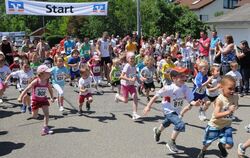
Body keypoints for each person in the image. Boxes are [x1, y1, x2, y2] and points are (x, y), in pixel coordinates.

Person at [143, 67, 200, 153]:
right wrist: (148, 106)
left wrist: (194, 103)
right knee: (180, 124)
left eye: (184, 76)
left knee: (167, 122)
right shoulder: (169, 88)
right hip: (168, 110)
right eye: (181, 76)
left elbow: (190, 100)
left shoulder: (185, 88)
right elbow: (156, 95)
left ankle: (157, 131)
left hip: (176, 110)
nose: (183, 78)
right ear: (173, 78)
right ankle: (171, 142)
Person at [197, 75, 238, 158]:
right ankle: (203, 151)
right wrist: (229, 111)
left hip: (226, 126)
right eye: (230, 88)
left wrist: (234, 108)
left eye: (234, 88)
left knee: (229, 145)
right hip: (215, 125)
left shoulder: (235, 97)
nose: (232, 91)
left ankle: (221, 145)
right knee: (207, 142)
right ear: (222, 88)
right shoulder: (219, 99)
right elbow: (216, 115)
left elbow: (236, 106)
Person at [18, 65, 55, 136]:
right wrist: (20, 96)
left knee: (47, 114)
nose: (50, 74)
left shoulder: (47, 82)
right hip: (35, 100)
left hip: (44, 100)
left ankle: (45, 128)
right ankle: (34, 115)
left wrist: (52, 97)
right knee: (35, 115)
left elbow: (50, 89)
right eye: (48, 72)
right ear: (42, 73)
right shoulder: (36, 81)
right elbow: (27, 89)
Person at [114, 52, 141, 120]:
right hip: (125, 85)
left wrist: (138, 79)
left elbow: (134, 75)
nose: (132, 60)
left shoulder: (134, 66)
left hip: (131, 85)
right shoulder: (127, 66)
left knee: (135, 96)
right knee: (125, 101)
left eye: (133, 58)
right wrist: (129, 79)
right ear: (127, 59)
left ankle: (134, 113)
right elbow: (121, 76)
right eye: (131, 58)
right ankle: (117, 96)